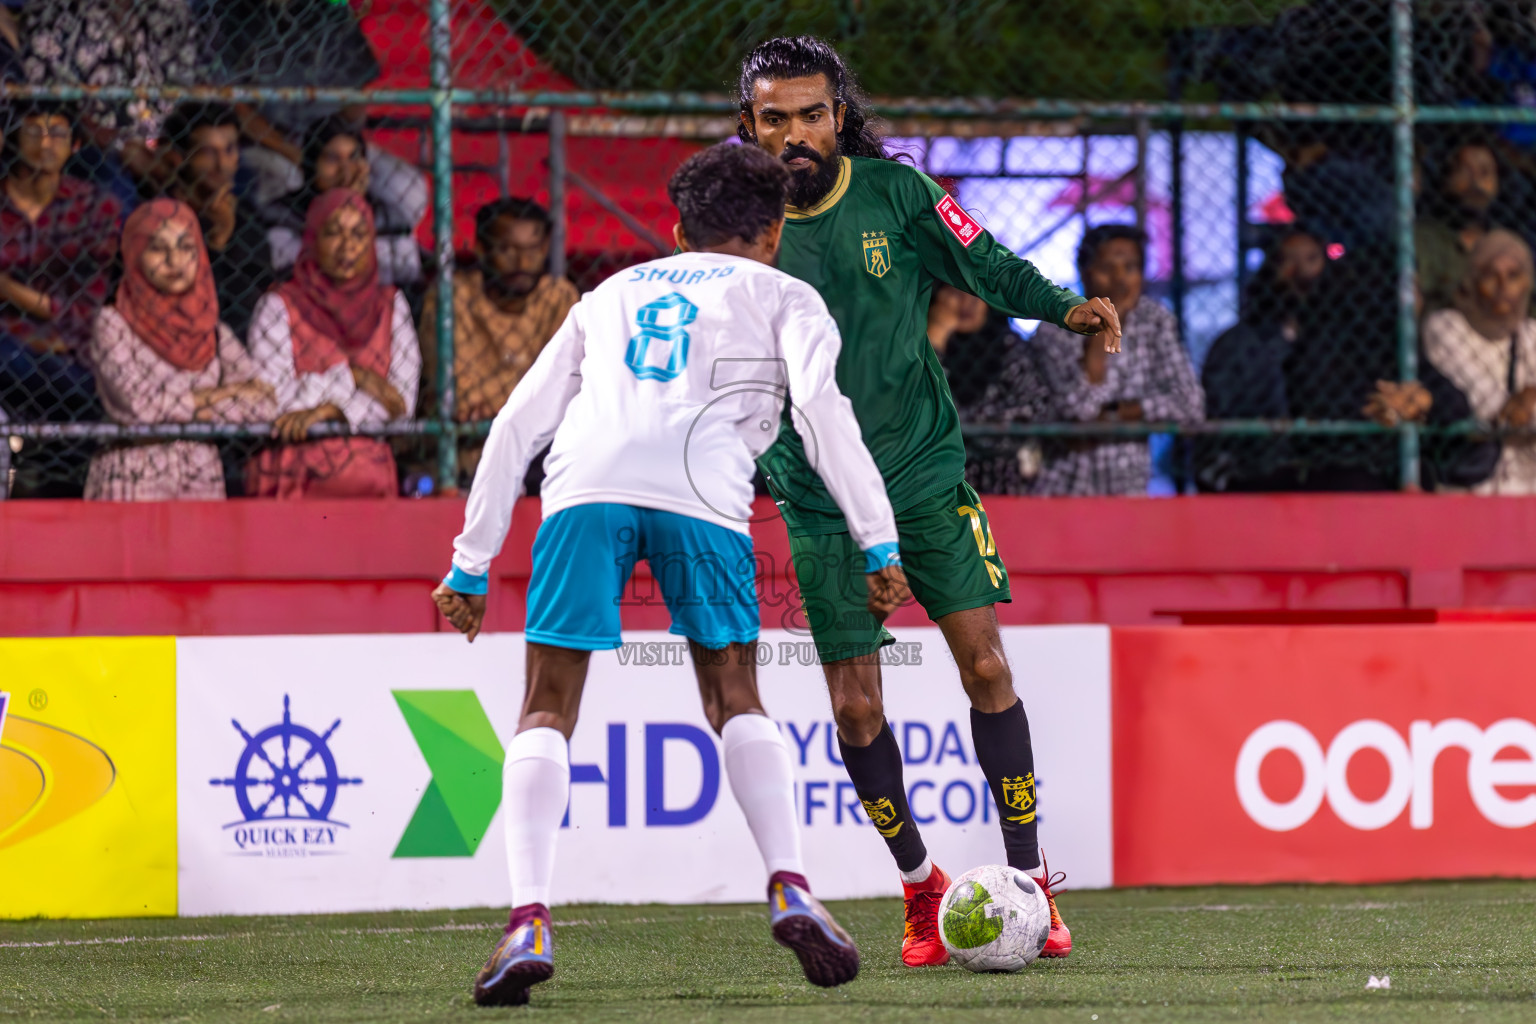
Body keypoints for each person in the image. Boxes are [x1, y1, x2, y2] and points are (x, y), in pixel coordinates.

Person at [431, 143, 908, 1006]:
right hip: (703, 493)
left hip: (584, 491)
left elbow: (515, 424)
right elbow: (825, 414)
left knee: (546, 705)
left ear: (677, 229)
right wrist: (879, 541)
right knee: (735, 697)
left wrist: (470, 562)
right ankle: (790, 883)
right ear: (775, 231)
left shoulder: (606, 295)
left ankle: (528, 916)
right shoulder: (787, 294)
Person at [735, 36, 1122, 966]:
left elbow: (985, 261)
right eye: (773, 118)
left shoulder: (897, 196)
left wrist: (1066, 306)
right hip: (819, 500)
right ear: (749, 124)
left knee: (986, 669)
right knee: (855, 709)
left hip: (920, 473)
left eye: (811, 114)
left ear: (839, 114)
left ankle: (1028, 882)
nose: (795, 134)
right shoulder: (736, 223)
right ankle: (920, 888)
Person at [85, 199, 274, 500]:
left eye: (186, 248)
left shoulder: (212, 330)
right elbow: (139, 409)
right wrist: (220, 397)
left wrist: (176, 405)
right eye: (159, 249)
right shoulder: (113, 323)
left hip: (200, 475)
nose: (175, 261)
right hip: (134, 474)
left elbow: (262, 405)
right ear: (135, 255)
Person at [247, 189, 420, 498]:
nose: (347, 246)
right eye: (333, 233)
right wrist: (355, 378)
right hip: (291, 476)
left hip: (370, 477)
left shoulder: (392, 305)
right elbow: (274, 402)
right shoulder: (278, 305)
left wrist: (332, 412)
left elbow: (400, 405)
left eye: (358, 233)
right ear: (313, 238)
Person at [1031, 224, 1204, 496]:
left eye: (1131, 268)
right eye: (1106, 268)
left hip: (1129, 489)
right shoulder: (1054, 329)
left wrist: (1113, 414)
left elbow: (1189, 403)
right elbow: (1078, 413)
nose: (1120, 280)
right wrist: (1105, 329)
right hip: (1064, 489)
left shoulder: (1155, 321)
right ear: (1085, 274)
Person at [419, 197, 579, 482]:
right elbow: (463, 404)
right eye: (506, 249)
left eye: (532, 250)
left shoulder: (558, 299)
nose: (521, 261)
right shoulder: (454, 298)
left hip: (542, 454)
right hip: (470, 458)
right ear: (481, 249)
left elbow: (567, 393)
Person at [20, 0, 213, 208]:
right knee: (113, 184)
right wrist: (121, 146)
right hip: (92, 147)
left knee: (207, 178)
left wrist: (165, 147)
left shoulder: (169, 10)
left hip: (164, 145)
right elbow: (51, 102)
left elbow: (193, 87)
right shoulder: (56, 11)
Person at [0, 100, 121, 426]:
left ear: (75, 144)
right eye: (33, 132)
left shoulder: (95, 208)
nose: (44, 143)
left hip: (68, 355)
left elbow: (85, 311)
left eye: (57, 133)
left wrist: (8, 290)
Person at [1197, 228, 1327, 492]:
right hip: (1254, 470)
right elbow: (1216, 422)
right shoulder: (1236, 345)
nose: (1299, 271)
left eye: (1311, 259)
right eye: (1288, 260)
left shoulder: (1337, 338)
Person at [1424, 229, 1536, 494]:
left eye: (1514, 276)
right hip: (1468, 492)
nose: (1503, 287)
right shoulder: (1447, 326)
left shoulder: (1531, 334)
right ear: (1471, 280)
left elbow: (1522, 415)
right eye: (1490, 275)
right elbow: (1483, 405)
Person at [264, 115, 427, 288]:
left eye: (354, 157)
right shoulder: (284, 215)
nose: (347, 171)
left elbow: (409, 281)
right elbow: (295, 276)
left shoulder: (388, 218)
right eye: (332, 159)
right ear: (311, 166)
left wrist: (358, 209)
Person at [161, 102, 276, 343]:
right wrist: (217, 241)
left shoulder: (246, 215)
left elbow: (258, 292)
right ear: (182, 157)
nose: (221, 164)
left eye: (229, 150)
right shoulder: (162, 217)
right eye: (207, 152)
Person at [927, 284, 1051, 494]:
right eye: (956, 292)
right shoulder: (917, 347)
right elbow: (918, 408)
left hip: (1002, 484)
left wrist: (960, 424)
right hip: (937, 480)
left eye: (976, 293)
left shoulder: (1010, 348)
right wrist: (935, 339)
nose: (967, 303)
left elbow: (1029, 412)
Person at [1417, 137, 1507, 314]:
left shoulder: (1505, 242)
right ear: (1446, 181)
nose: (1476, 184)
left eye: (1484, 173)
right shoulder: (1424, 237)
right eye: (1466, 171)